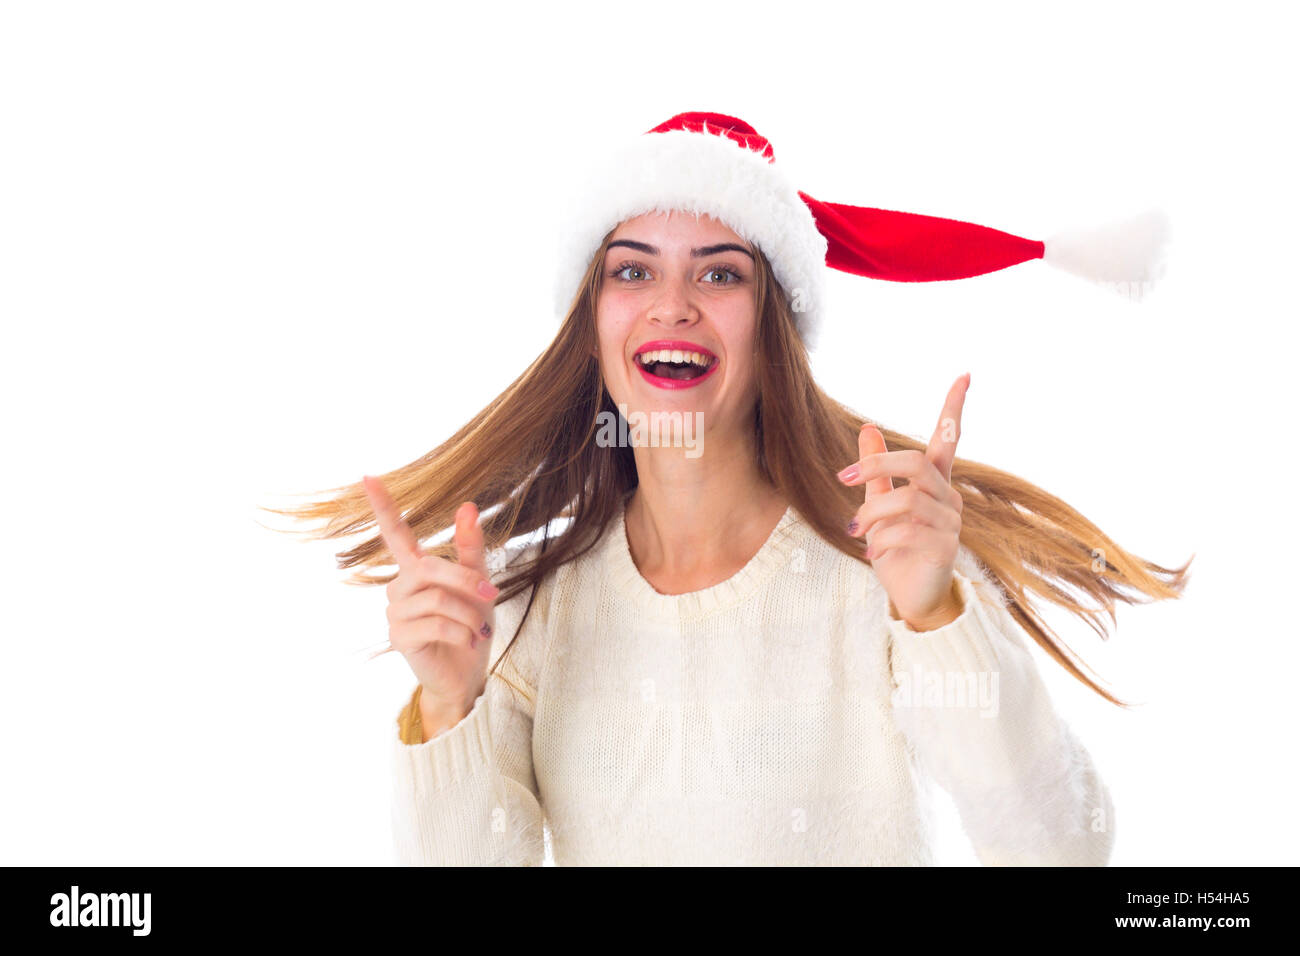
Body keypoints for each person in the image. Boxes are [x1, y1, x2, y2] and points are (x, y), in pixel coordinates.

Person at [271, 111, 1189, 865]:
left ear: (774, 336)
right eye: (633, 271)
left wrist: (938, 615)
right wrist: (449, 708)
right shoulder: (524, 610)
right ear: (592, 331)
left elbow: (1061, 853)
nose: (673, 304)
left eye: (720, 274)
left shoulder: (884, 572)